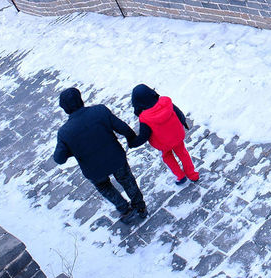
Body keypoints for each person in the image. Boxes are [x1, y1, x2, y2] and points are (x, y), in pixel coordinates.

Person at [53, 87, 147, 225]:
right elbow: (122, 127)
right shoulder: (100, 111)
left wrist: (72, 149)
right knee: (127, 180)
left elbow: (59, 159)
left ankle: (125, 209)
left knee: (104, 187)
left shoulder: (64, 132)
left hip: (94, 170)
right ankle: (140, 206)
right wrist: (132, 139)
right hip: (116, 158)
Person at [129, 84, 199, 182]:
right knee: (183, 153)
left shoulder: (145, 118)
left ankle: (180, 176)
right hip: (177, 136)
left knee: (167, 157)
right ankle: (192, 174)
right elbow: (178, 112)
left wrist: (133, 143)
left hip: (163, 143)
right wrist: (183, 121)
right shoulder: (166, 102)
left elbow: (144, 136)